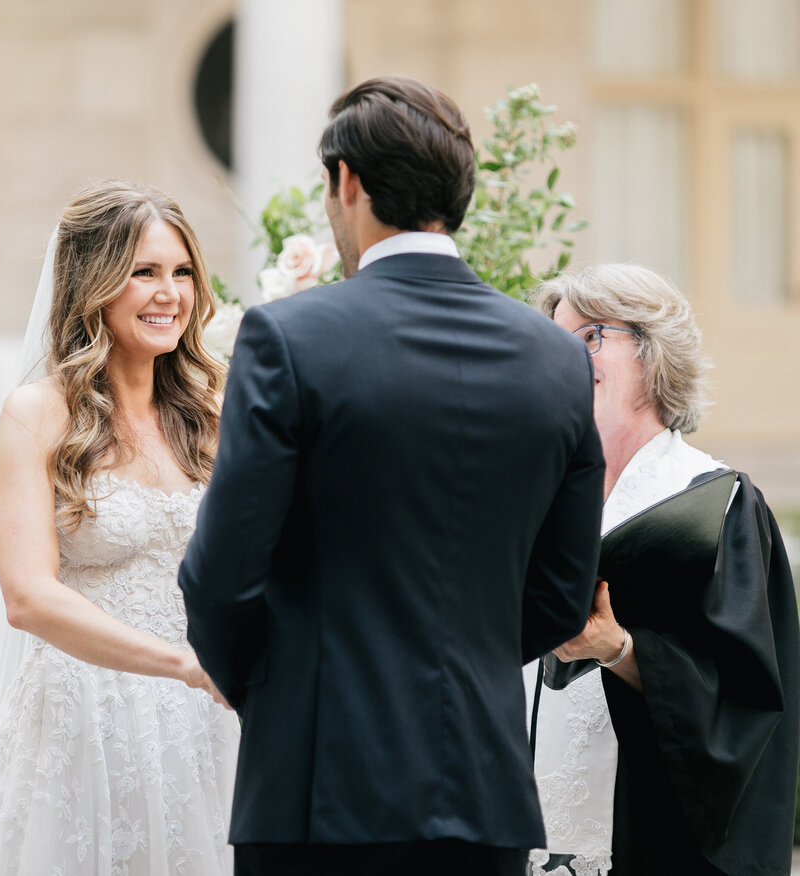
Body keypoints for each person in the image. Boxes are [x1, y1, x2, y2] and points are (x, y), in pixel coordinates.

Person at [178, 75, 606, 876]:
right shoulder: (556, 356)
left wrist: (274, 692)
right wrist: (465, 657)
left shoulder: (288, 338)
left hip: (318, 790)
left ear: (347, 182)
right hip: (485, 790)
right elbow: (561, 589)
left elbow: (223, 573)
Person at [0, 180, 240, 875]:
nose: (169, 294)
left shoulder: (214, 408)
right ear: (94, 283)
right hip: (86, 717)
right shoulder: (37, 414)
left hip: (213, 720)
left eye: (181, 273)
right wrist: (180, 664)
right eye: (143, 273)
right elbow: (27, 596)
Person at [526, 263, 799, 876]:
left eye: (590, 336)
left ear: (652, 354)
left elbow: (745, 705)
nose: (568, 358)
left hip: (648, 842)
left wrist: (618, 649)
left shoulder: (714, 506)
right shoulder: (533, 501)